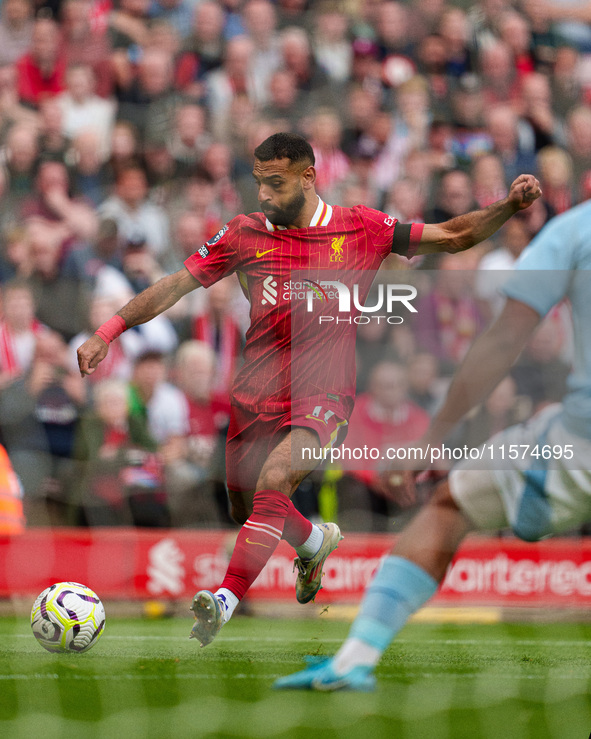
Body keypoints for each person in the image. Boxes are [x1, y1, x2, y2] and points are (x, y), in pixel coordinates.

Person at [77, 132, 541, 648]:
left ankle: (225, 600)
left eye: (275, 184)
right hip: (254, 393)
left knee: (275, 481)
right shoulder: (243, 233)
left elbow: (453, 235)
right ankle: (315, 542)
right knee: (245, 508)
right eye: (259, 184)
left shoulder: (360, 228)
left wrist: (508, 205)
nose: (264, 196)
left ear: (307, 177)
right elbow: (174, 284)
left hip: (324, 394)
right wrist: (108, 331)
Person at [273, 197, 591, 693]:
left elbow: (505, 339)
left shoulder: (574, 231)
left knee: (447, 506)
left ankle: (353, 660)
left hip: (582, 440)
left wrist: (430, 439)